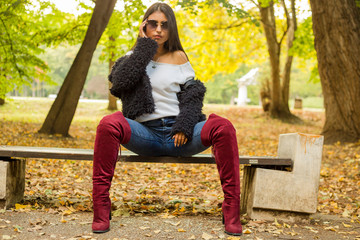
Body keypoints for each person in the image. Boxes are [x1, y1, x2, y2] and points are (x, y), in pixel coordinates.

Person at [92, 2, 242, 236]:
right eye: (153, 24)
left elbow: (193, 96)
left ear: (171, 29)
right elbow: (119, 84)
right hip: (145, 135)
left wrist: (184, 126)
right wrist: (144, 48)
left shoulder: (179, 57)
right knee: (108, 123)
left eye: (164, 25)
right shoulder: (132, 57)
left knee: (222, 126)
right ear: (144, 26)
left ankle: (232, 210)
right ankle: (101, 209)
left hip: (180, 136)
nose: (159, 29)